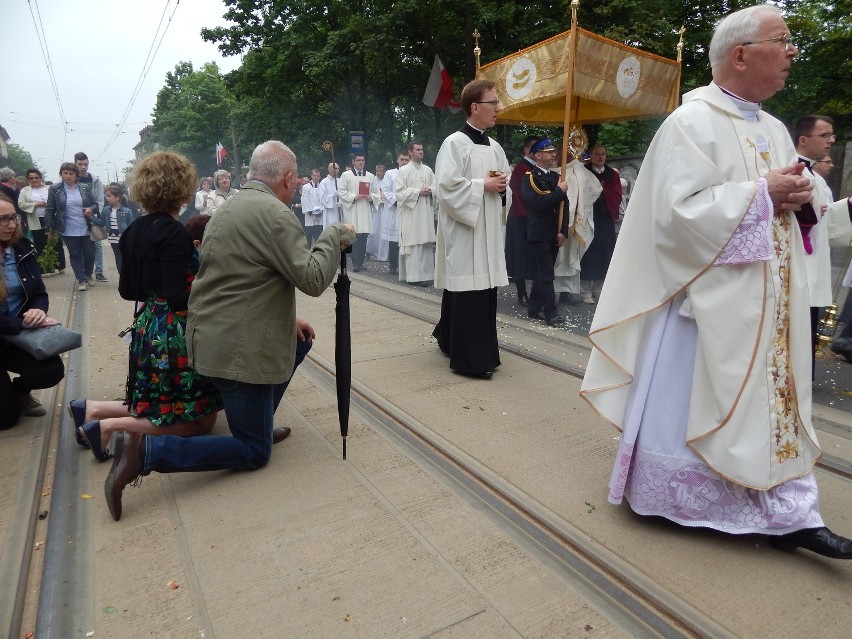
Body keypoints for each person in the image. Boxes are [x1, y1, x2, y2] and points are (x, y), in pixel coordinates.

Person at [581, 4, 852, 559]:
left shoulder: (775, 128)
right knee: (702, 394)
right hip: (705, 305)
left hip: (769, 298)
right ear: (741, 54)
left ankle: (787, 509)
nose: (792, 53)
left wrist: (797, 202)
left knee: (772, 399)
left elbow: (784, 205)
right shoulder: (691, 121)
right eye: (783, 41)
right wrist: (761, 195)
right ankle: (691, 498)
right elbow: (673, 215)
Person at [101, 140, 355, 521]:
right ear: (287, 178)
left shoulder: (229, 205)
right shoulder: (275, 214)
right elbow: (314, 279)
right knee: (254, 453)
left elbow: (242, 279)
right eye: (296, 180)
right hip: (238, 347)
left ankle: (257, 422)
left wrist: (289, 320)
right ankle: (147, 451)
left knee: (297, 341)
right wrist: (335, 235)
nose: (298, 186)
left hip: (210, 338)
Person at [66, 151, 224, 465]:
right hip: (173, 331)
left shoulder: (133, 230)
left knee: (162, 404)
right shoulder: (174, 232)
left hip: (148, 325)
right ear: (179, 188)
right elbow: (179, 298)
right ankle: (109, 427)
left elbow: (128, 290)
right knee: (201, 420)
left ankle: (91, 409)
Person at [433, 79, 511, 380]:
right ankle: (470, 360)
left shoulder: (495, 147)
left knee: (484, 292)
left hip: (488, 230)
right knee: (468, 291)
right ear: (474, 107)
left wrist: (502, 188)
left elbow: (503, 185)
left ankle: (459, 342)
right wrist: (484, 185)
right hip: (466, 231)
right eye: (493, 103)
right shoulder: (454, 143)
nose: (498, 108)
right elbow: (446, 188)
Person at [0, 194, 65, 428]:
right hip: (14, 329)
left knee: (51, 370)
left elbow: (39, 291)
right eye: (2, 220)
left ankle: (20, 390)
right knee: (6, 419)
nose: (11, 225)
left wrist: (38, 310)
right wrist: (22, 324)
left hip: (16, 338)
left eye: (13, 218)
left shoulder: (21, 247)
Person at [793, 115, 836, 376]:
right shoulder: (793, 170)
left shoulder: (814, 176)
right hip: (799, 264)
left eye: (832, 136)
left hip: (815, 261)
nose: (830, 141)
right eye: (824, 135)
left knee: (807, 328)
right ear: (803, 139)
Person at [521, 138, 569, 326]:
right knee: (547, 273)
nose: (553, 154)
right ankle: (551, 312)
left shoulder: (556, 178)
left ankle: (534, 308)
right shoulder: (530, 178)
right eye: (549, 152)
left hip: (553, 233)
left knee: (543, 272)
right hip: (539, 232)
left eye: (553, 151)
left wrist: (563, 231)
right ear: (538, 155)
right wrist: (558, 191)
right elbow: (538, 204)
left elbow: (565, 206)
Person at [43, 162, 99, 291]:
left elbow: (95, 205)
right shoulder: (55, 189)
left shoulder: (85, 188)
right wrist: (49, 228)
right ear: (61, 174)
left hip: (86, 227)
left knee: (89, 254)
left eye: (71, 173)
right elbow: (50, 209)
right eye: (65, 173)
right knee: (75, 254)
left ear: (76, 175)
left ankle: (88, 274)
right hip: (68, 228)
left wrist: (91, 209)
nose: (68, 176)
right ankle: (81, 280)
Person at [579, 145, 622, 304]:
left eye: (603, 154)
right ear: (591, 156)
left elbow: (616, 194)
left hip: (604, 219)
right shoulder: (584, 172)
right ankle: (585, 291)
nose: (600, 157)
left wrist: (602, 191)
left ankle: (599, 289)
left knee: (604, 254)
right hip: (589, 217)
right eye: (597, 154)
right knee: (588, 254)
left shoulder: (612, 174)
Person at [394, 142, 437, 285]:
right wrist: (418, 192)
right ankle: (413, 277)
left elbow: (437, 187)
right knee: (413, 244)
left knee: (425, 243)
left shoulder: (428, 170)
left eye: (422, 149)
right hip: (411, 214)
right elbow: (399, 193)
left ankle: (427, 275)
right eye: (418, 149)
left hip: (425, 213)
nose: (421, 151)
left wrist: (431, 191)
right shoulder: (404, 171)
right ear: (410, 152)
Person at [505, 136, 539, 307]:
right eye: (533, 148)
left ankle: (533, 293)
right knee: (519, 257)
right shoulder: (521, 168)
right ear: (526, 150)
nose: (537, 151)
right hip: (520, 217)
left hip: (532, 217)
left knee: (532, 257)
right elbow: (520, 193)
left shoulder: (536, 168)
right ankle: (521, 293)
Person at [338, 153, 379, 271]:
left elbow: (376, 193)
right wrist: (355, 196)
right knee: (354, 236)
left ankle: (361, 262)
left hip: (365, 209)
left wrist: (371, 197)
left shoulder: (370, 176)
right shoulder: (346, 175)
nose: (361, 162)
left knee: (364, 236)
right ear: (353, 162)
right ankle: (355, 263)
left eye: (363, 160)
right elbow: (341, 192)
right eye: (358, 160)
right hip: (353, 209)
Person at [74, 152, 107, 282]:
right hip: (77, 219)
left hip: (93, 217)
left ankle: (99, 271)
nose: (83, 167)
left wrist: (93, 212)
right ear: (75, 164)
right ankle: (85, 272)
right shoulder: (71, 180)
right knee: (81, 247)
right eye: (80, 164)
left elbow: (100, 200)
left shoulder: (95, 180)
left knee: (97, 244)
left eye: (86, 164)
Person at [93, 186, 136, 272]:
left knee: (127, 257)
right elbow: (102, 223)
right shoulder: (106, 210)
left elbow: (132, 226)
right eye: (106, 196)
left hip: (125, 239)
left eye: (109, 196)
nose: (107, 198)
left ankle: (129, 275)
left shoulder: (127, 211)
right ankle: (122, 276)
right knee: (118, 258)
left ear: (117, 197)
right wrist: (91, 217)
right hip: (113, 239)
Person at [380, 152, 409, 274]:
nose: (404, 162)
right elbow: (385, 189)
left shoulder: (411, 172)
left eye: (407, 160)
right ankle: (393, 264)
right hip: (394, 210)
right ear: (398, 160)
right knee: (393, 241)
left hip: (407, 209)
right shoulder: (390, 173)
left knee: (406, 239)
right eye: (402, 159)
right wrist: (395, 201)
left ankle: (406, 266)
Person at [17, 168, 51, 262]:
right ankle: (44, 267)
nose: (34, 180)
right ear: (28, 179)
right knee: (40, 242)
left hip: (49, 218)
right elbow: (21, 204)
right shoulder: (25, 191)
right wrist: (35, 204)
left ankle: (59, 266)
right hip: (35, 219)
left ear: (40, 178)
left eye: (36, 177)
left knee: (53, 241)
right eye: (31, 178)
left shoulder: (48, 188)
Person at [366, 164, 388, 261]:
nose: (378, 173)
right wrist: (376, 199)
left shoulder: (387, 180)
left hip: (385, 209)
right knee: (374, 231)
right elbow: (370, 193)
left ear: (384, 172)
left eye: (380, 171)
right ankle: (368, 251)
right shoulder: (373, 180)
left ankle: (382, 253)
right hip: (375, 209)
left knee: (383, 230)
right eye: (377, 171)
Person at [301, 168, 324, 247]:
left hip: (320, 217)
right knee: (309, 239)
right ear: (311, 176)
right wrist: (312, 212)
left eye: (318, 176)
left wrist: (321, 210)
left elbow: (324, 200)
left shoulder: (322, 187)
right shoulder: (306, 187)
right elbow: (305, 200)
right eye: (314, 175)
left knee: (319, 239)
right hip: (310, 217)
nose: (316, 177)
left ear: (320, 177)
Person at [319, 162, 342, 229]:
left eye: (338, 169)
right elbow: (322, 199)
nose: (337, 170)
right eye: (335, 168)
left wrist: (341, 202)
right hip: (330, 212)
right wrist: (333, 195)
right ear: (329, 169)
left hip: (339, 210)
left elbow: (344, 195)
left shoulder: (340, 181)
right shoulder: (324, 182)